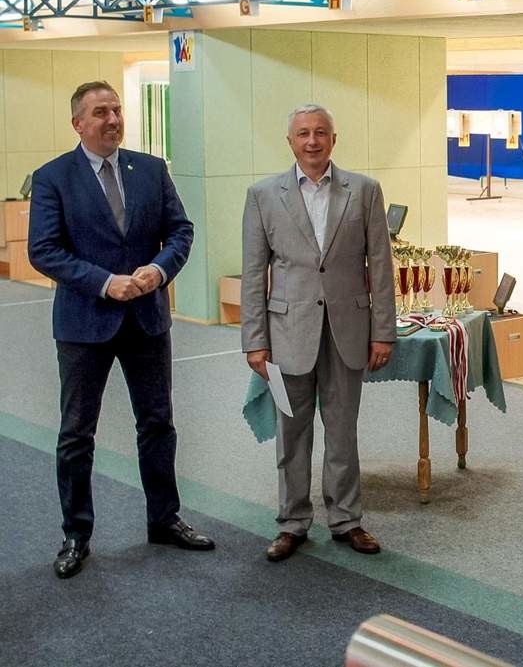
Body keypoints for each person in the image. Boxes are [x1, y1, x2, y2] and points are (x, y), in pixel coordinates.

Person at [28, 80, 212, 580]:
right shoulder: (53, 177)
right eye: (100, 113)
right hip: (84, 324)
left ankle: (164, 518)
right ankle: (76, 534)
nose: (112, 119)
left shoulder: (150, 169)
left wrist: (159, 270)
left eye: (116, 110)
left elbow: (181, 231)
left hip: (147, 319)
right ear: (78, 124)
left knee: (157, 424)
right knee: (76, 433)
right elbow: (43, 250)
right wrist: (105, 282)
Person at [241, 104, 396, 562]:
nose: (313, 141)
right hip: (286, 334)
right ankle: (292, 522)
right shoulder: (263, 195)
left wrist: (383, 331)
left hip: (348, 332)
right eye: (304, 133)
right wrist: (255, 339)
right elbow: (254, 273)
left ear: (334, 139)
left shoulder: (364, 191)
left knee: (343, 432)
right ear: (290, 141)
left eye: (321, 132)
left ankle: (346, 520)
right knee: (292, 434)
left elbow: (380, 265)